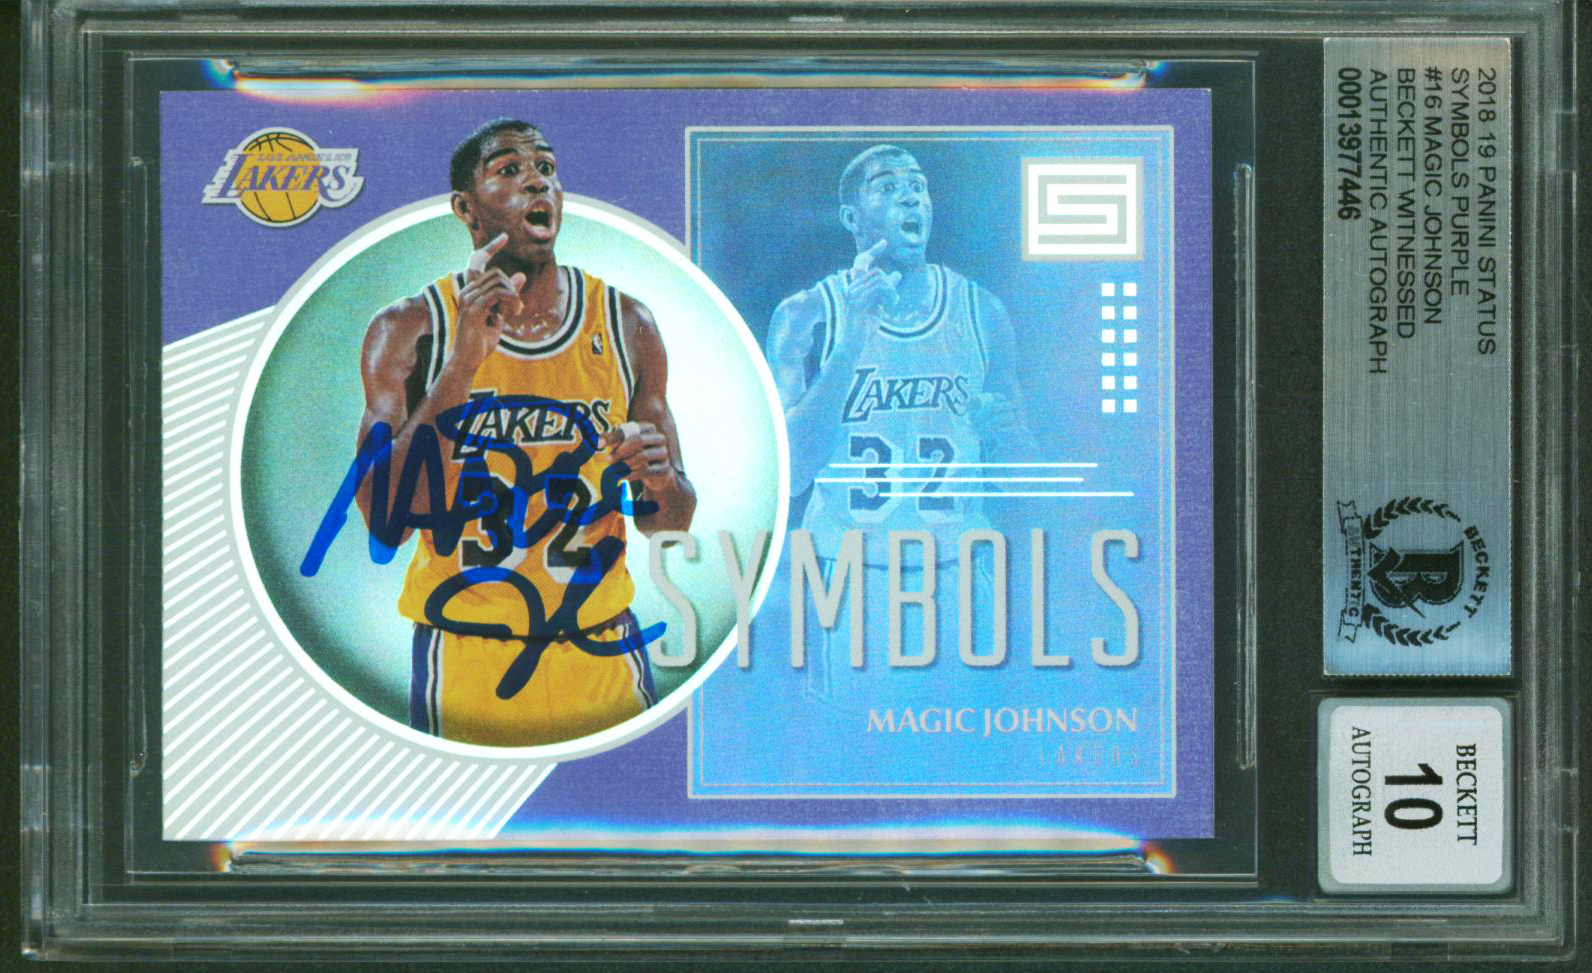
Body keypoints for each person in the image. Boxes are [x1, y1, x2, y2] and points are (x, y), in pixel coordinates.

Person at [354, 118, 695, 747]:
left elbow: (671, 522)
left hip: (602, 646)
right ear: (466, 209)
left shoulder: (626, 323)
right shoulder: (409, 328)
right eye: (508, 169)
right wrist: (461, 366)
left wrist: (660, 479)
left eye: (546, 167)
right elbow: (385, 524)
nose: (537, 180)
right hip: (465, 650)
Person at [765, 144, 1036, 704]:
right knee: (853, 747)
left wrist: (1006, 436)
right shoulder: (806, 316)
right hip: (851, 577)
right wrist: (852, 343)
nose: (910, 196)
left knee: (970, 745)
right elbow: (790, 474)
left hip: (960, 571)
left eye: (918, 186)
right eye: (888, 187)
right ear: (851, 218)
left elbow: (1028, 475)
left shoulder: (981, 310)